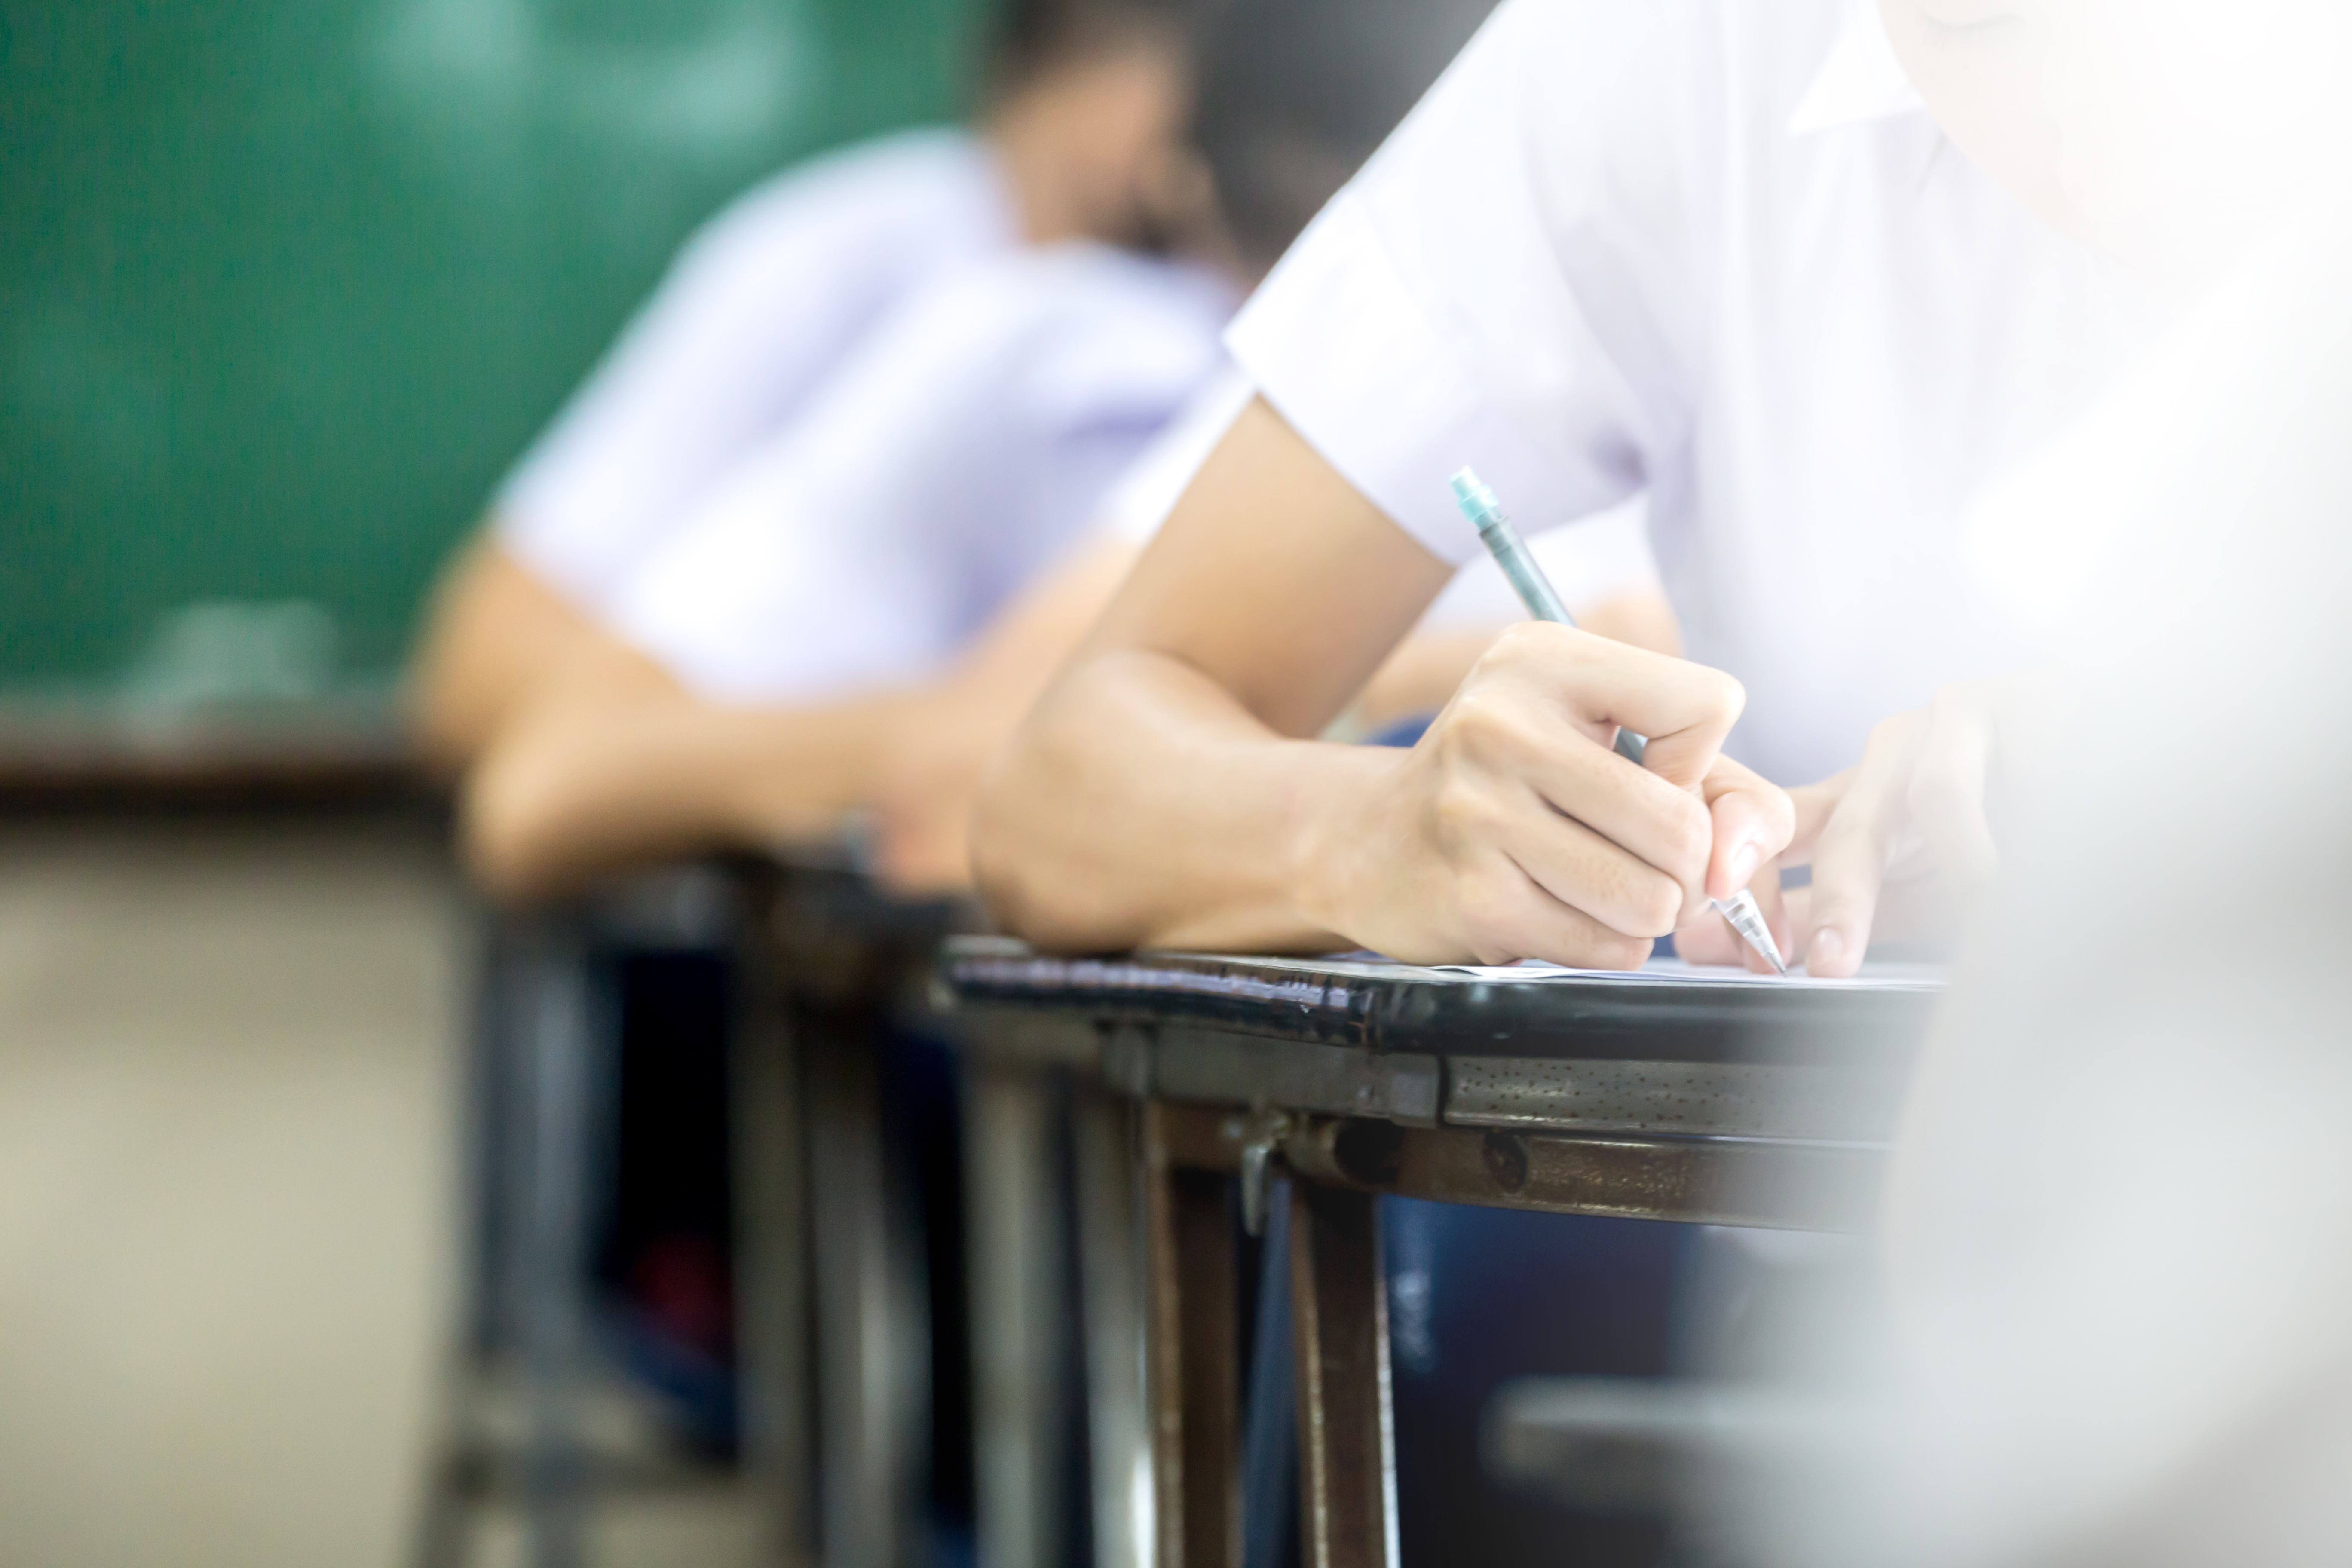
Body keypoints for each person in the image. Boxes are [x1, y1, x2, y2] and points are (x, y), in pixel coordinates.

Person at [972, 0, 2160, 975]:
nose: (2105, 165)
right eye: (1974, 23)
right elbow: (1058, 801)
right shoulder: (1681, 54)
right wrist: (1371, 834)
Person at [410, 0, 1207, 779]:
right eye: (1126, 225)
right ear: (1018, 89)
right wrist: (943, 742)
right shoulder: (844, 271)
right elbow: (484, 679)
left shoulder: (1261, 329)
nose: (1131, 306)